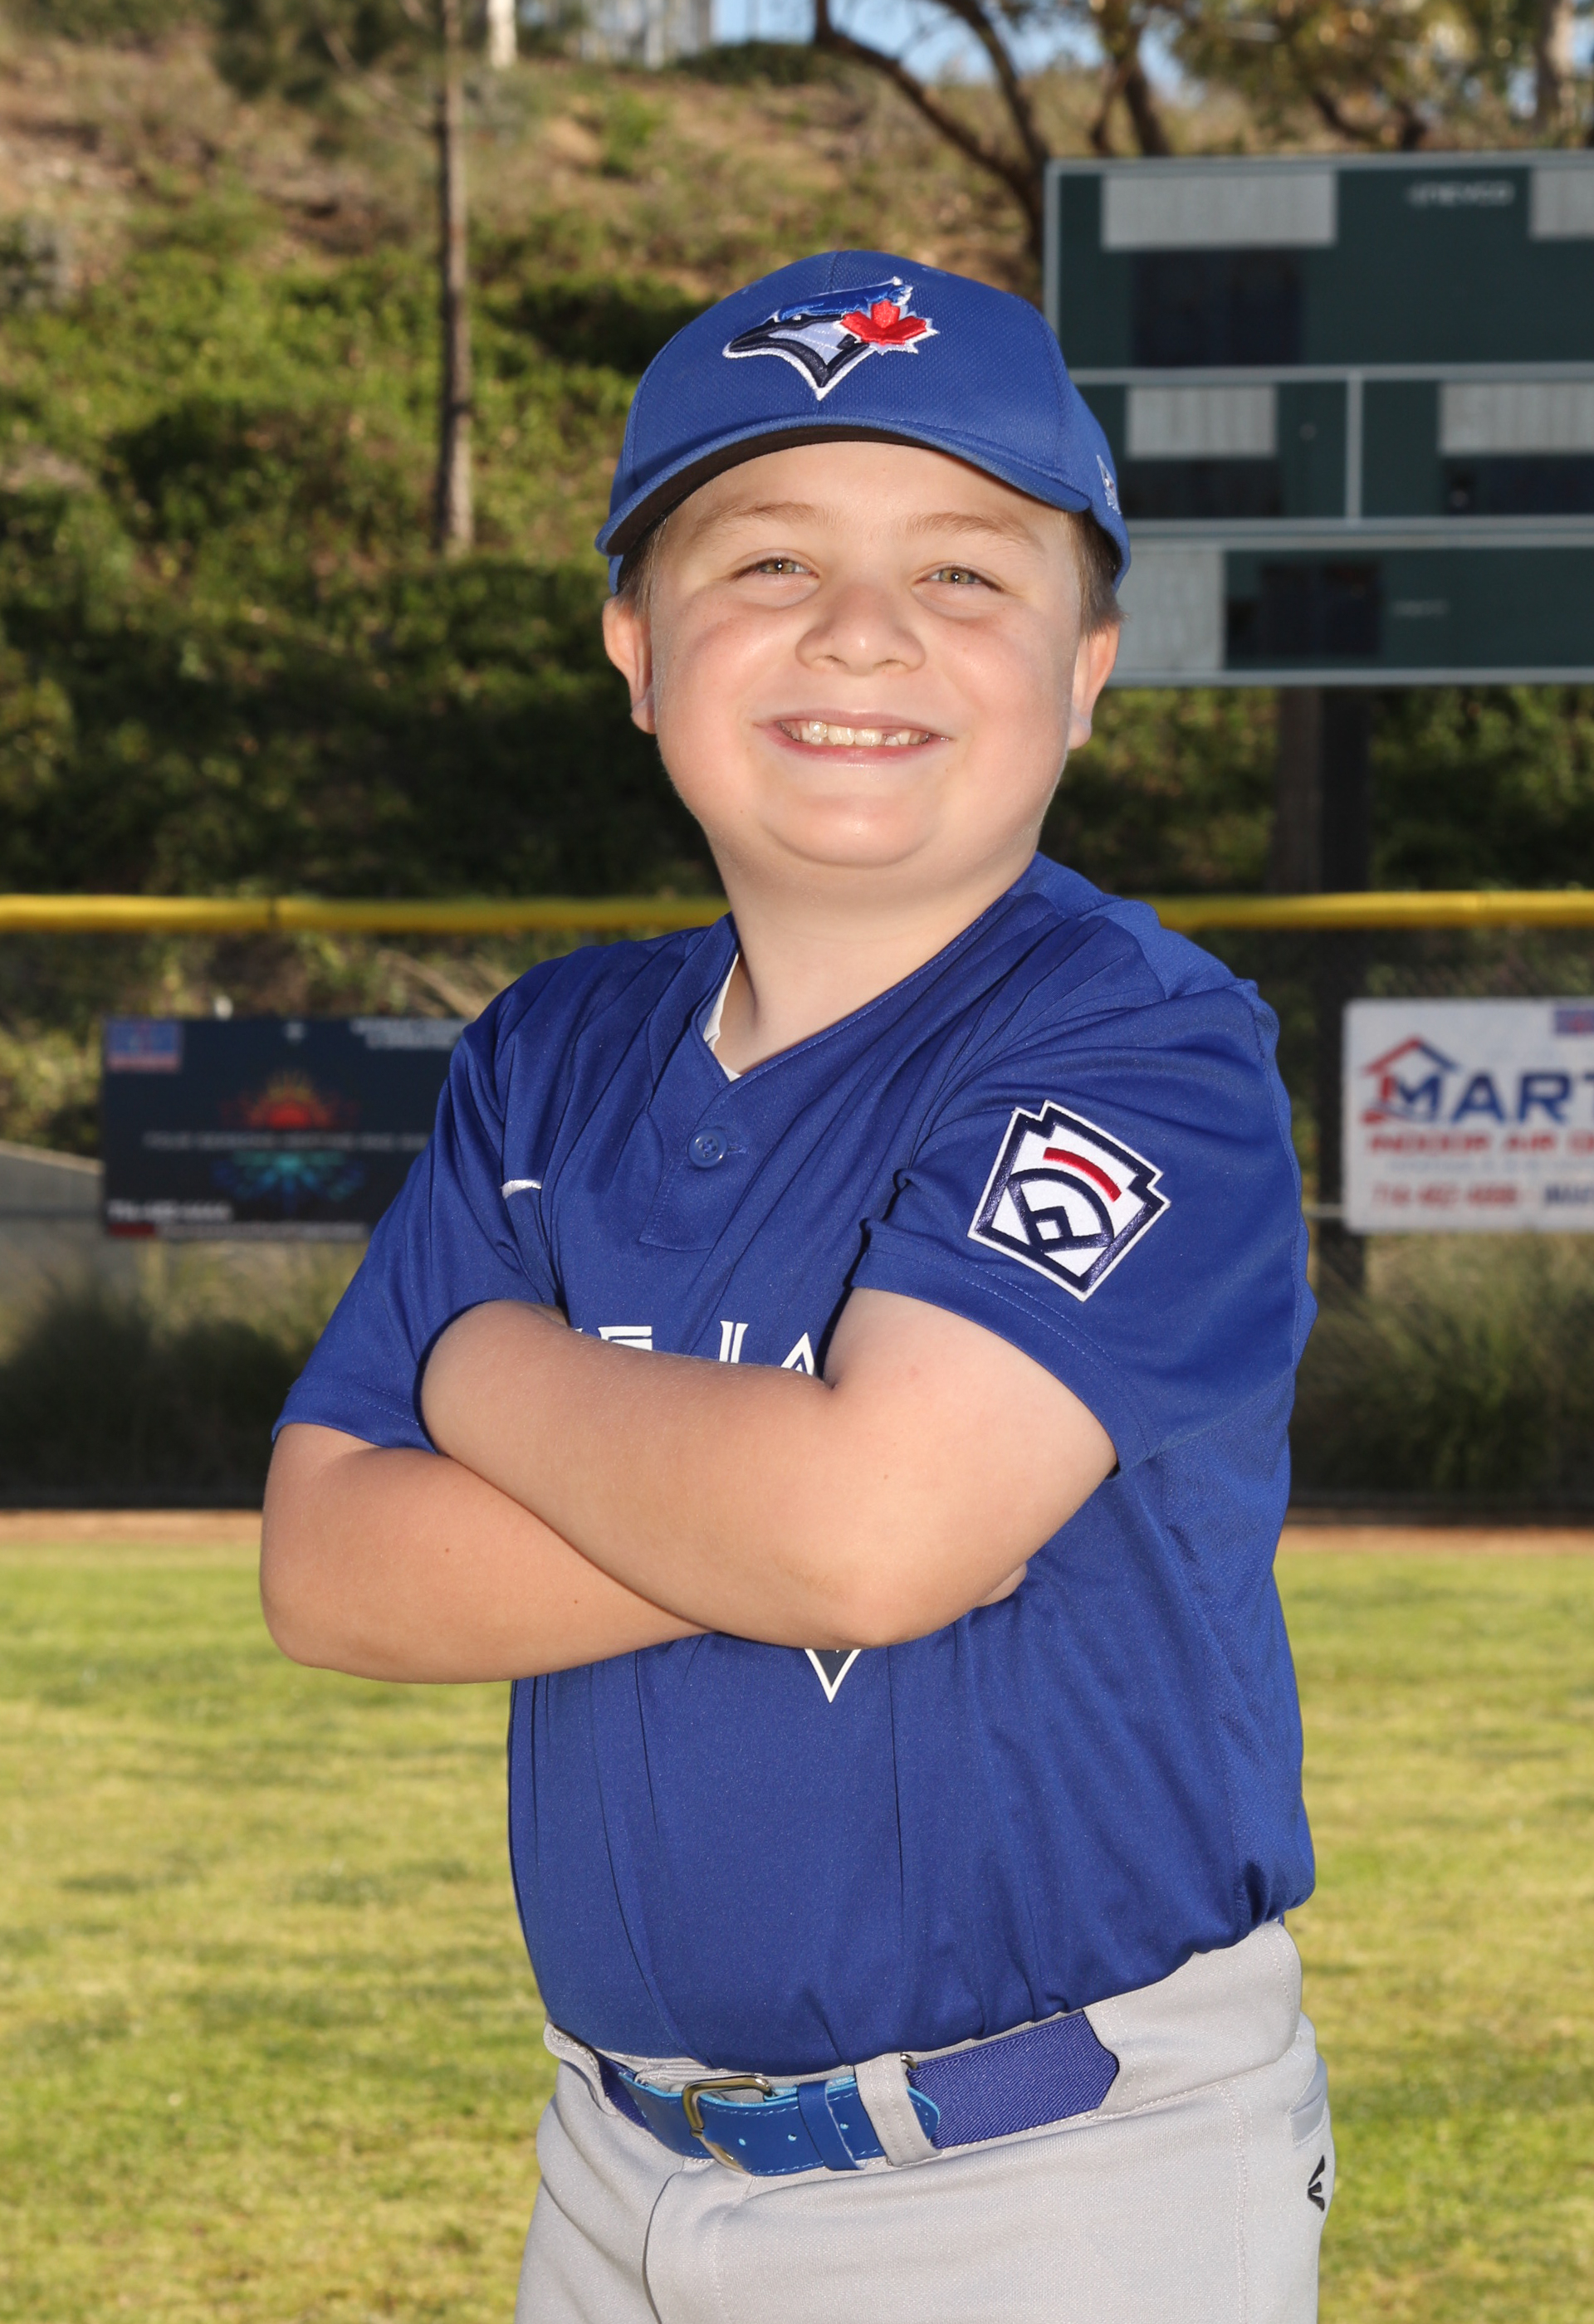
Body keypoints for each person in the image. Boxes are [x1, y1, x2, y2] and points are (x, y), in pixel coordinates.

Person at [262, 251, 1331, 2324]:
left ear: (1089, 666)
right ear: (636, 649)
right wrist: (796, 1501)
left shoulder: (1142, 1047)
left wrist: (478, 1364)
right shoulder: (547, 1053)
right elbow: (330, 1568)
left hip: (1049, 2179)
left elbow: (869, 1530)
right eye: (766, 559)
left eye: (963, 573)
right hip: (613, 2162)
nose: (861, 626)